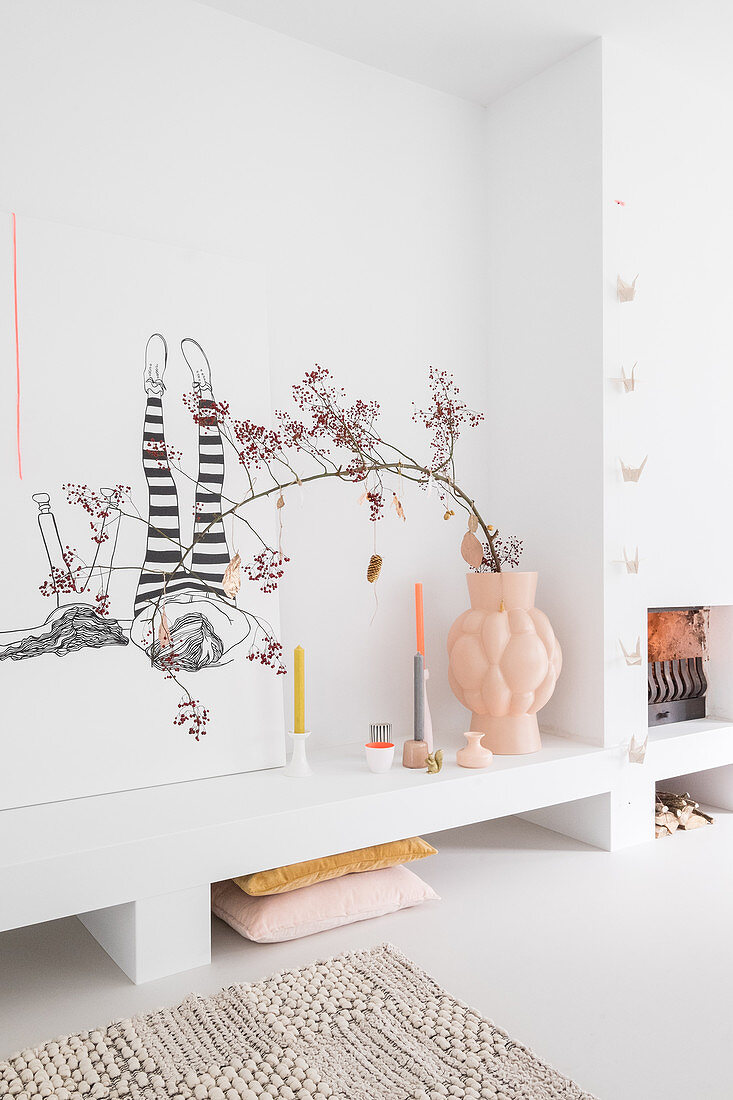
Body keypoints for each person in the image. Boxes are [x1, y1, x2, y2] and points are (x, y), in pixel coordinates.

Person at [130, 333, 249, 671]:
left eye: (162, 639)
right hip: (212, 588)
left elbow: (146, 634)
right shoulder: (215, 638)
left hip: (157, 592)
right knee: (209, 490)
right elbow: (239, 627)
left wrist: (164, 620)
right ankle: (205, 396)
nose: (163, 637)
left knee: (161, 488)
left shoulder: (148, 634)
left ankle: (154, 393)